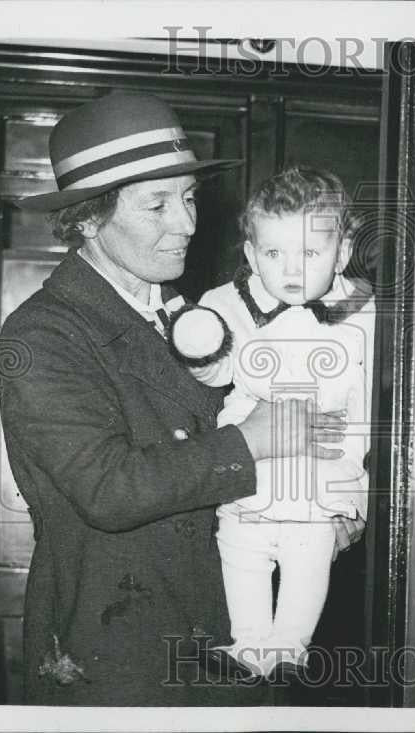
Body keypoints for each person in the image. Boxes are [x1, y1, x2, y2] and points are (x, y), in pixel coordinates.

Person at [0, 92, 361, 705]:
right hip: (120, 660)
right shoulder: (41, 334)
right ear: (88, 217)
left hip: (224, 649)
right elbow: (109, 490)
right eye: (157, 204)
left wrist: (331, 509)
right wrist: (254, 441)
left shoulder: (200, 315)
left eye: (188, 197)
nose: (187, 223)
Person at [169, 167, 374, 677]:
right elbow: (210, 372)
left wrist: (357, 501)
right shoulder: (224, 304)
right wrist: (197, 343)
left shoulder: (367, 312)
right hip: (251, 475)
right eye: (273, 253)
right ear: (250, 252)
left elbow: (374, 415)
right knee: (240, 552)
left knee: (309, 555)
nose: (290, 270)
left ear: (341, 253)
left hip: (322, 477)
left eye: (309, 254)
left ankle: (289, 648)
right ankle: (249, 645)